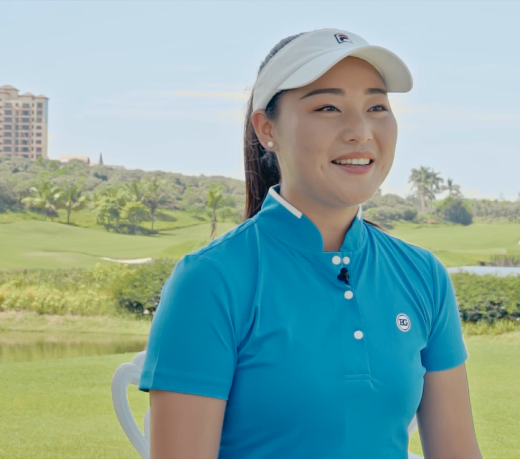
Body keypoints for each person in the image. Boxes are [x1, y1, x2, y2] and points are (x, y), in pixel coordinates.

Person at [138, 28, 483, 459]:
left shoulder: (423, 274)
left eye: (377, 107)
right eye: (327, 107)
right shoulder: (210, 279)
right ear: (267, 129)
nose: (360, 131)